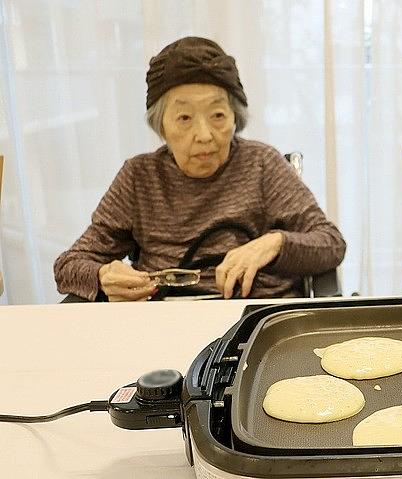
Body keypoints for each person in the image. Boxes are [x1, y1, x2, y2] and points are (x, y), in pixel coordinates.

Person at [54, 37, 345, 301]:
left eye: (218, 115)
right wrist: (102, 277)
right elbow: (68, 265)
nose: (204, 134)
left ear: (235, 118)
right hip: (161, 321)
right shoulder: (139, 177)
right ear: (161, 127)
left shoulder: (262, 164)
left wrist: (274, 243)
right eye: (184, 118)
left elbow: (331, 244)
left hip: (256, 320)